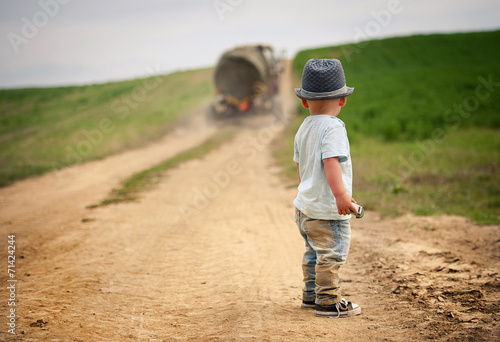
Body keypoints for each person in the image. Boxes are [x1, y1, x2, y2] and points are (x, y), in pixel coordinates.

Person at [293, 58, 361, 318]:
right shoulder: (333, 127)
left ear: (304, 101)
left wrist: (307, 192)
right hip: (325, 210)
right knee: (331, 254)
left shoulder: (304, 128)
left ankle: (311, 296)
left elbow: (301, 168)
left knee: (313, 253)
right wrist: (341, 196)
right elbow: (330, 161)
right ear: (342, 99)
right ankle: (328, 301)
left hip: (305, 207)